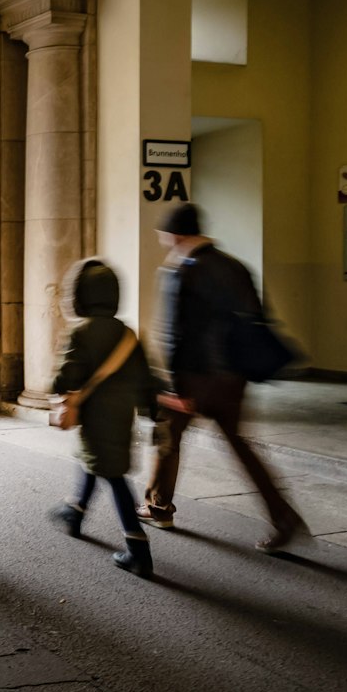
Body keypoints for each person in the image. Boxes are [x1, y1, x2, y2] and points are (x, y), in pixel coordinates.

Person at [142, 203, 308, 551]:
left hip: (195, 376)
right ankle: (283, 516)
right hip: (233, 378)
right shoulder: (236, 267)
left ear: (177, 234)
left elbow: (175, 334)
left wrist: (174, 385)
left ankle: (158, 506)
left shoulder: (181, 270)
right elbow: (256, 319)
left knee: (168, 435)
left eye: (165, 235)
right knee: (240, 445)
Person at [46, 259, 158, 577]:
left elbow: (66, 376)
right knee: (95, 461)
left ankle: (138, 549)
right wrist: (151, 412)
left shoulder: (80, 332)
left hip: (94, 415)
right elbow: (144, 378)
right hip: (122, 416)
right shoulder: (127, 334)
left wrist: (58, 385)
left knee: (112, 476)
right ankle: (75, 512)